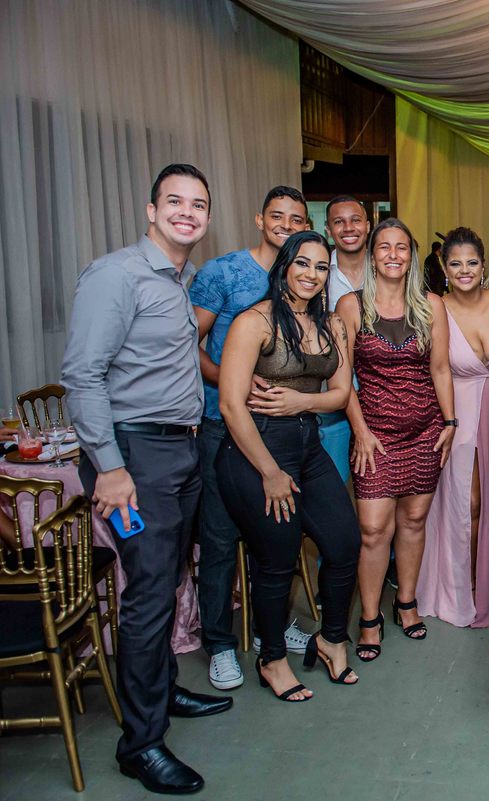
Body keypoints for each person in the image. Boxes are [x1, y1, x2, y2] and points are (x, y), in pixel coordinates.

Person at [61, 163, 231, 795]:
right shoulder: (117, 274)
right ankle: (140, 745)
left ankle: (162, 693)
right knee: (150, 594)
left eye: (198, 204)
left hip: (178, 450)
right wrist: (110, 467)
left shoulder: (178, 280)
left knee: (169, 577)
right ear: (151, 211)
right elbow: (82, 376)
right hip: (136, 454)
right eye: (175, 201)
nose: (188, 212)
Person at [215, 231, 361, 701]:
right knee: (276, 557)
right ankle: (272, 658)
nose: (311, 274)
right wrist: (271, 473)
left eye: (320, 267)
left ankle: (332, 639)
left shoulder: (333, 325)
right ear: (284, 266)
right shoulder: (253, 322)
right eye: (302, 263)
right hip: (255, 450)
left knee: (344, 544)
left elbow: (341, 393)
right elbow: (231, 405)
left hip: (308, 444)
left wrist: (302, 401)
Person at [189, 184, 309, 692]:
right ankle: (219, 643)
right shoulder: (222, 273)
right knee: (219, 540)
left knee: (273, 537)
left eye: (296, 219)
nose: (286, 225)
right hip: (223, 426)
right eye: (277, 216)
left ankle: (269, 630)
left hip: (278, 431)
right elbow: (188, 344)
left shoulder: (303, 277)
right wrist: (231, 379)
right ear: (260, 220)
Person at [336, 218, 455, 659]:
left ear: (411, 255)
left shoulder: (431, 304)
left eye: (401, 247)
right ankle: (370, 616)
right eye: (384, 247)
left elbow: (440, 368)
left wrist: (450, 422)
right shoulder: (350, 306)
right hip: (375, 438)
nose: (392, 254)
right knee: (372, 530)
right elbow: (341, 380)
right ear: (372, 256)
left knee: (414, 521)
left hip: (425, 432)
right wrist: (360, 431)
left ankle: (406, 602)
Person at [419, 227, 489, 628]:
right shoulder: (434, 308)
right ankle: (464, 588)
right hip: (456, 415)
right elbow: (430, 369)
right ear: (444, 268)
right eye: (455, 263)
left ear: (484, 265)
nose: (464, 270)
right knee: (467, 504)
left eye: (472, 262)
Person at [322, 194, 374, 483]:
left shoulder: (387, 269)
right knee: (335, 485)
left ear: (368, 225)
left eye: (355, 220)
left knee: (377, 486)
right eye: (339, 222)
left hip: (381, 398)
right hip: (332, 401)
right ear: (328, 229)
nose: (349, 228)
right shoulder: (317, 272)